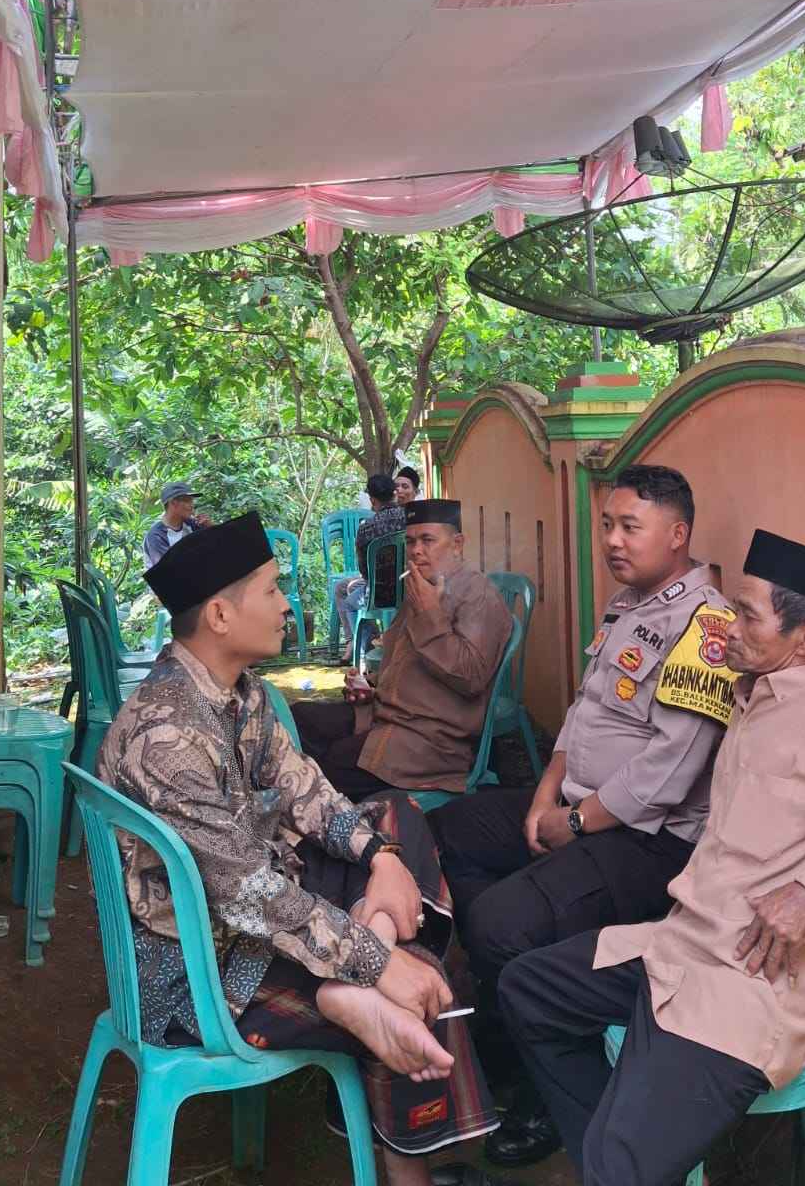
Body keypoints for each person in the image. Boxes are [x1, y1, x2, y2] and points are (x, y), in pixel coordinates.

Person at [498, 529, 805, 1186]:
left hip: (745, 987)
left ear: (803, 640)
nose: (727, 625)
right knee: (527, 989)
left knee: (621, 1162)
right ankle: (610, 1162)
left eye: (747, 615)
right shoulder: (748, 695)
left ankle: (617, 1165)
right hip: (678, 948)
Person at [99, 511, 499, 1183]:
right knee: (405, 968)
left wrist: (380, 862)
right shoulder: (168, 736)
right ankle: (402, 1141)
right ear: (220, 615)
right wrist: (376, 963)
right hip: (198, 972)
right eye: (272, 589)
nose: (288, 604)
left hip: (251, 910)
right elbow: (247, 895)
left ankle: (354, 984)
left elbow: (303, 788)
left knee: (393, 814)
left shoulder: (239, 692)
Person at [430, 463, 733, 1172]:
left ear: (678, 534)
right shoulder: (628, 605)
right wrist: (546, 794)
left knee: (499, 924)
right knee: (450, 833)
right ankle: (507, 1019)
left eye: (630, 526)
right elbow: (582, 714)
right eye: (607, 525)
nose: (613, 540)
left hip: (646, 841)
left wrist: (575, 823)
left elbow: (671, 769)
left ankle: (543, 1085)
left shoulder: (706, 627)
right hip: (576, 804)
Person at [294, 499, 512, 802]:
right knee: (299, 720)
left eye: (428, 540)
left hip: (430, 738)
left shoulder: (477, 597)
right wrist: (369, 685)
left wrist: (430, 613)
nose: (416, 550)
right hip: (387, 714)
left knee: (328, 766)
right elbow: (401, 660)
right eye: (410, 542)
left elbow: (470, 676)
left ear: (457, 544)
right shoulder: (424, 585)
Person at [335, 472, 407, 649]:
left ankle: (368, 650)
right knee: (351, 588)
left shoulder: (366, 528)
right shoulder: (410, 519)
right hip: (410, 588)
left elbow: (365, 571)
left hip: (379, 595)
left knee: (350, 604)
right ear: (394, 494)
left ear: (372, 500)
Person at [142, 480, 211, 568]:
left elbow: (216, 546)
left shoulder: (191, 524)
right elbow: (170, 570)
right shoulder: (156, 536)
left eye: (192, 501)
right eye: (188, 501)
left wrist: (209, 527)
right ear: (173, 503)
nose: (192, 505)